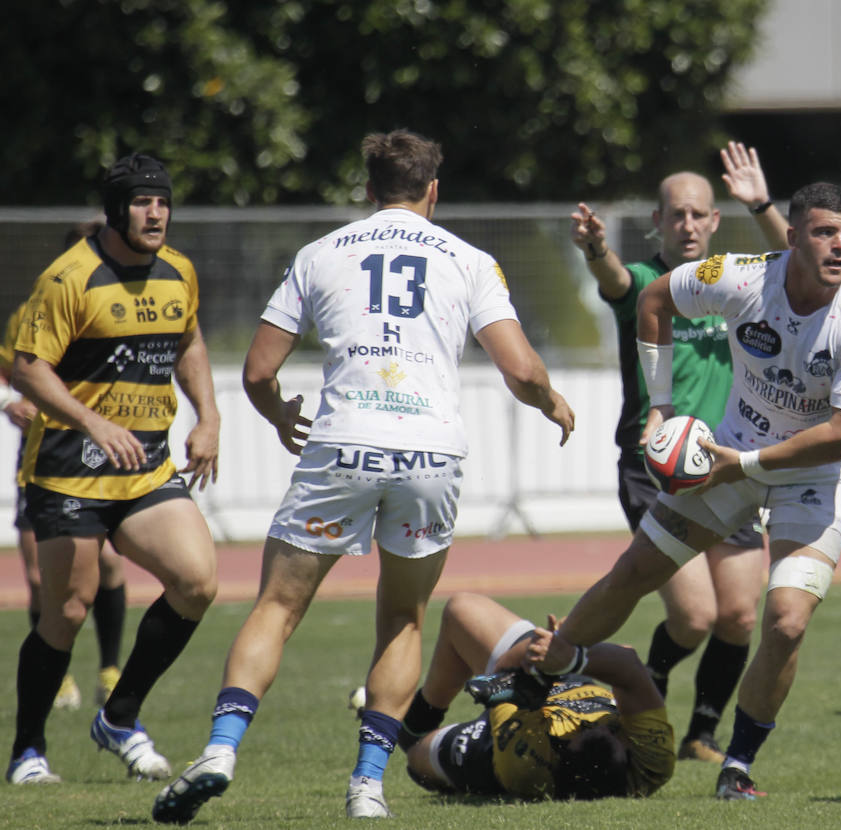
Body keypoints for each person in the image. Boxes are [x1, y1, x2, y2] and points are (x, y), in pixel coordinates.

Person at [152, 129, 574, 823]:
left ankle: (221, 750)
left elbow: (258, 371)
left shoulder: (321, 253)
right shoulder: (470, 260)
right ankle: (368, 786)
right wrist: (550, 400)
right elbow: (522, 369)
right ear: (433, 190)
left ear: (369, 189)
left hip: (342, 443)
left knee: (277, 608)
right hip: (429, 456)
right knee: (403, 619)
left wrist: (277, 413)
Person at [545, 182, 841, 800]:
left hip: (809, 477)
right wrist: (659, 408)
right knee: (636, 571)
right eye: (823, 232)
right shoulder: (739, 276)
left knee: (784, 622)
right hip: (725, 454)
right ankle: (542, 675)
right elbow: (653, 300)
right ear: (791, 238)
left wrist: (749, 463)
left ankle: (736, 766)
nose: (839, 246)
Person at [567, 141, 787, 763]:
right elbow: (613, 277)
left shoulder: (740, 287)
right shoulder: (644, 283)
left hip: (728, 466)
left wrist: (763, 203)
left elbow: (794, 260)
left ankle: (702, 734)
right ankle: (647, 687)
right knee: (693, 616)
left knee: (740, 616)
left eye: (698, 214)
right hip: (655, 468)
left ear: (715, 222)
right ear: (658, 223)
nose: (687, 225)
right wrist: (594, 248)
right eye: (676, 215)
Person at [6, 154, 221, 785]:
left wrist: (207, 417)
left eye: (162, 202)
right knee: (66, 610)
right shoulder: (68, 278)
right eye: (140, 202)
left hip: (146, 467)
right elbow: (28, 370)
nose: (155, 213)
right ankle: (28, 751)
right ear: (115, 209)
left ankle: (119, 715)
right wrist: (93, 423)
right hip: (69, 470)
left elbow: (191, 344)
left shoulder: (178, 270)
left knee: (197, 582)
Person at [3, 220, 128, 713]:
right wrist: (9, 401)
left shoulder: (122, 306)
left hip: (102, 459)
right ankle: (57, 677)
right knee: (40, 577)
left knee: (109, 563)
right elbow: (14, 373)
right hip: (46, 457)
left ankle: (111, 669)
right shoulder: (32, 312)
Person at [397, 592, 675, 800]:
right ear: (626, 748)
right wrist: (570, 655)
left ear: (556, 752)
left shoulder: (526, 764)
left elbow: (503, 672)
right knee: (463, 607)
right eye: (611, 727)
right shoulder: (651, 762)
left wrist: (541, 649)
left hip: (508, 718)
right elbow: (627, 662)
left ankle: (416, 726)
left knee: (417, 754)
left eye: (580, 729)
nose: (583, 721)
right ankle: (423, 713)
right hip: (563, 676)